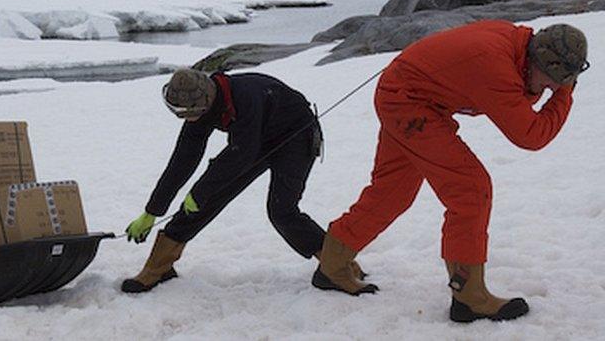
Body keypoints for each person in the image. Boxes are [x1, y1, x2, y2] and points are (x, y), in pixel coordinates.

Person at [313, 21, 588, 323]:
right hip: (408, 101)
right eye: (550, 81)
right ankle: (470, 297)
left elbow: (520, 97)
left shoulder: (518, 48)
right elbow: (531, 135)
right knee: (471, 190)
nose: (550, 89)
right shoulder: (494, 65)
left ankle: (334, 262)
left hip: (406, 93)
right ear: (537, 59)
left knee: (393, 191)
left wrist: (553, 86)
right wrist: (564, 96)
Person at [121, 68, 333, 293]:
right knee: (205, 198)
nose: (185, 118)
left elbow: (241, 154)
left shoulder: (244, 98)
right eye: (178, 112)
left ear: (204, 102)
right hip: (254, 139)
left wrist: (199, 191)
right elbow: (182, 160)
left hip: (296, 136)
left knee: (281, 210)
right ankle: (158, 268)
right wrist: (152, 211)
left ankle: (337, 264)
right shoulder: (198, 106)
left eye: (187, 112)